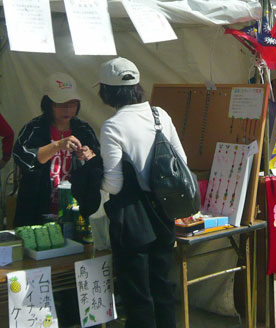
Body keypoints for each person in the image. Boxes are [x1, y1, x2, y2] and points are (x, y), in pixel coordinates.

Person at [98, 57, 187, 328]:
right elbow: (181, 162)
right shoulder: (160, 115)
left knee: (138, 294)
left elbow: (114, 184)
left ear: (106, 91)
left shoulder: (113, 126)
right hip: (164, 213)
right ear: (137, 86)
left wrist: (92, 173)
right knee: (162, 286)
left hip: (132, 219)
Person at [12, 73, 99, 227]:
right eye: (61, 104)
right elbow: (22, 158)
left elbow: (99, 162)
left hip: (75, 207)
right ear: (48, 104)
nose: (68, 109)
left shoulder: (84, 129)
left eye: (73, 103)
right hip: (36, 208)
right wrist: (57, 145)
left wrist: (90, 155)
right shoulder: (34, 128)